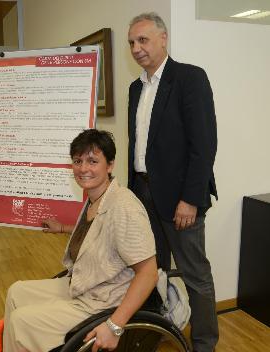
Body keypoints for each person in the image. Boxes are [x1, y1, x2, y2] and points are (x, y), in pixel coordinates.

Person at [3, 129, 158, 352]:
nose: (83, 168)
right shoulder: (95, 199)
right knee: (16, 292)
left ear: (110, 165)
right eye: (78, 161)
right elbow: (97, 237)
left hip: (103, 301)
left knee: (21, 320)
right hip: (84, 285)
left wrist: (114, 326)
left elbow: (149, 273)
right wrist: (64, 228)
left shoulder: (125, 207)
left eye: (92, 161)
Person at [127, 12, 218, 352]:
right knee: (151, 272)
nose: (137, 48)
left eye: (143, 40)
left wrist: (191, 199)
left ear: (163, 39)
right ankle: (155, 334)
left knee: (195, 274)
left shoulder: (189, 78)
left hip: (181, 199)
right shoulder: (136, 88)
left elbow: (204, 143)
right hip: (143, 194)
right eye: (132, 42)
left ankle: (205, 343)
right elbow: (140, 145)